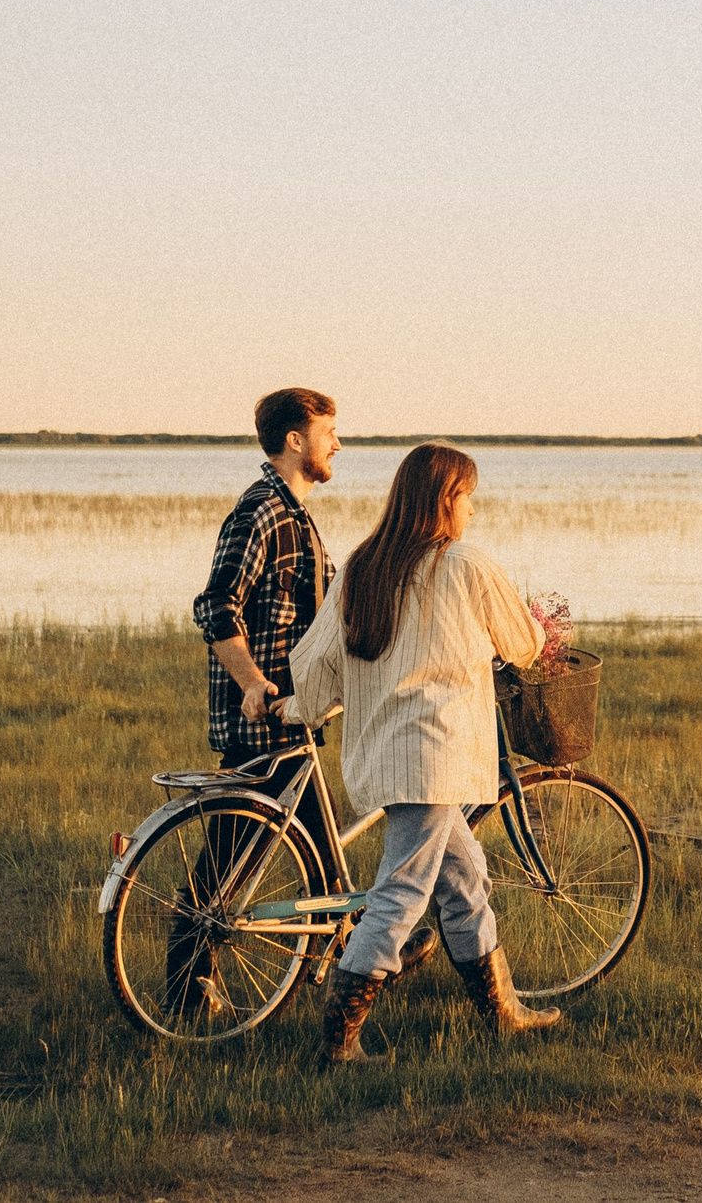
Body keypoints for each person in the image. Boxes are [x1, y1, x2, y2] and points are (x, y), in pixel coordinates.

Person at [282, 441, 562, 1064]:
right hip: (437, 758)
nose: (470, 511)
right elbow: (521, 644)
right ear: (444, 501)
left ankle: (505, 1012)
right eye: (466, 498)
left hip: (387, 755)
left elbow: (319, 659)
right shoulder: (465, 564)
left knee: (465, 879)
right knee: (402, 894)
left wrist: (294, 708)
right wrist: (539, 632)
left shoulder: (363, 566)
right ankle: (337, 1043)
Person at [177, 388, 434, 1018]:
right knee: (231, 862)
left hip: (292, 712)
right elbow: (215, 607)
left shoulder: (296, 515)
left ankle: (361, 952)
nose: (338, 444)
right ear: (296, 440)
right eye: (329, 432)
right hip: (263, 717)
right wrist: (251, 684)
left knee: (313, 861)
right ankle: (187, 993)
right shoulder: (262, 512)